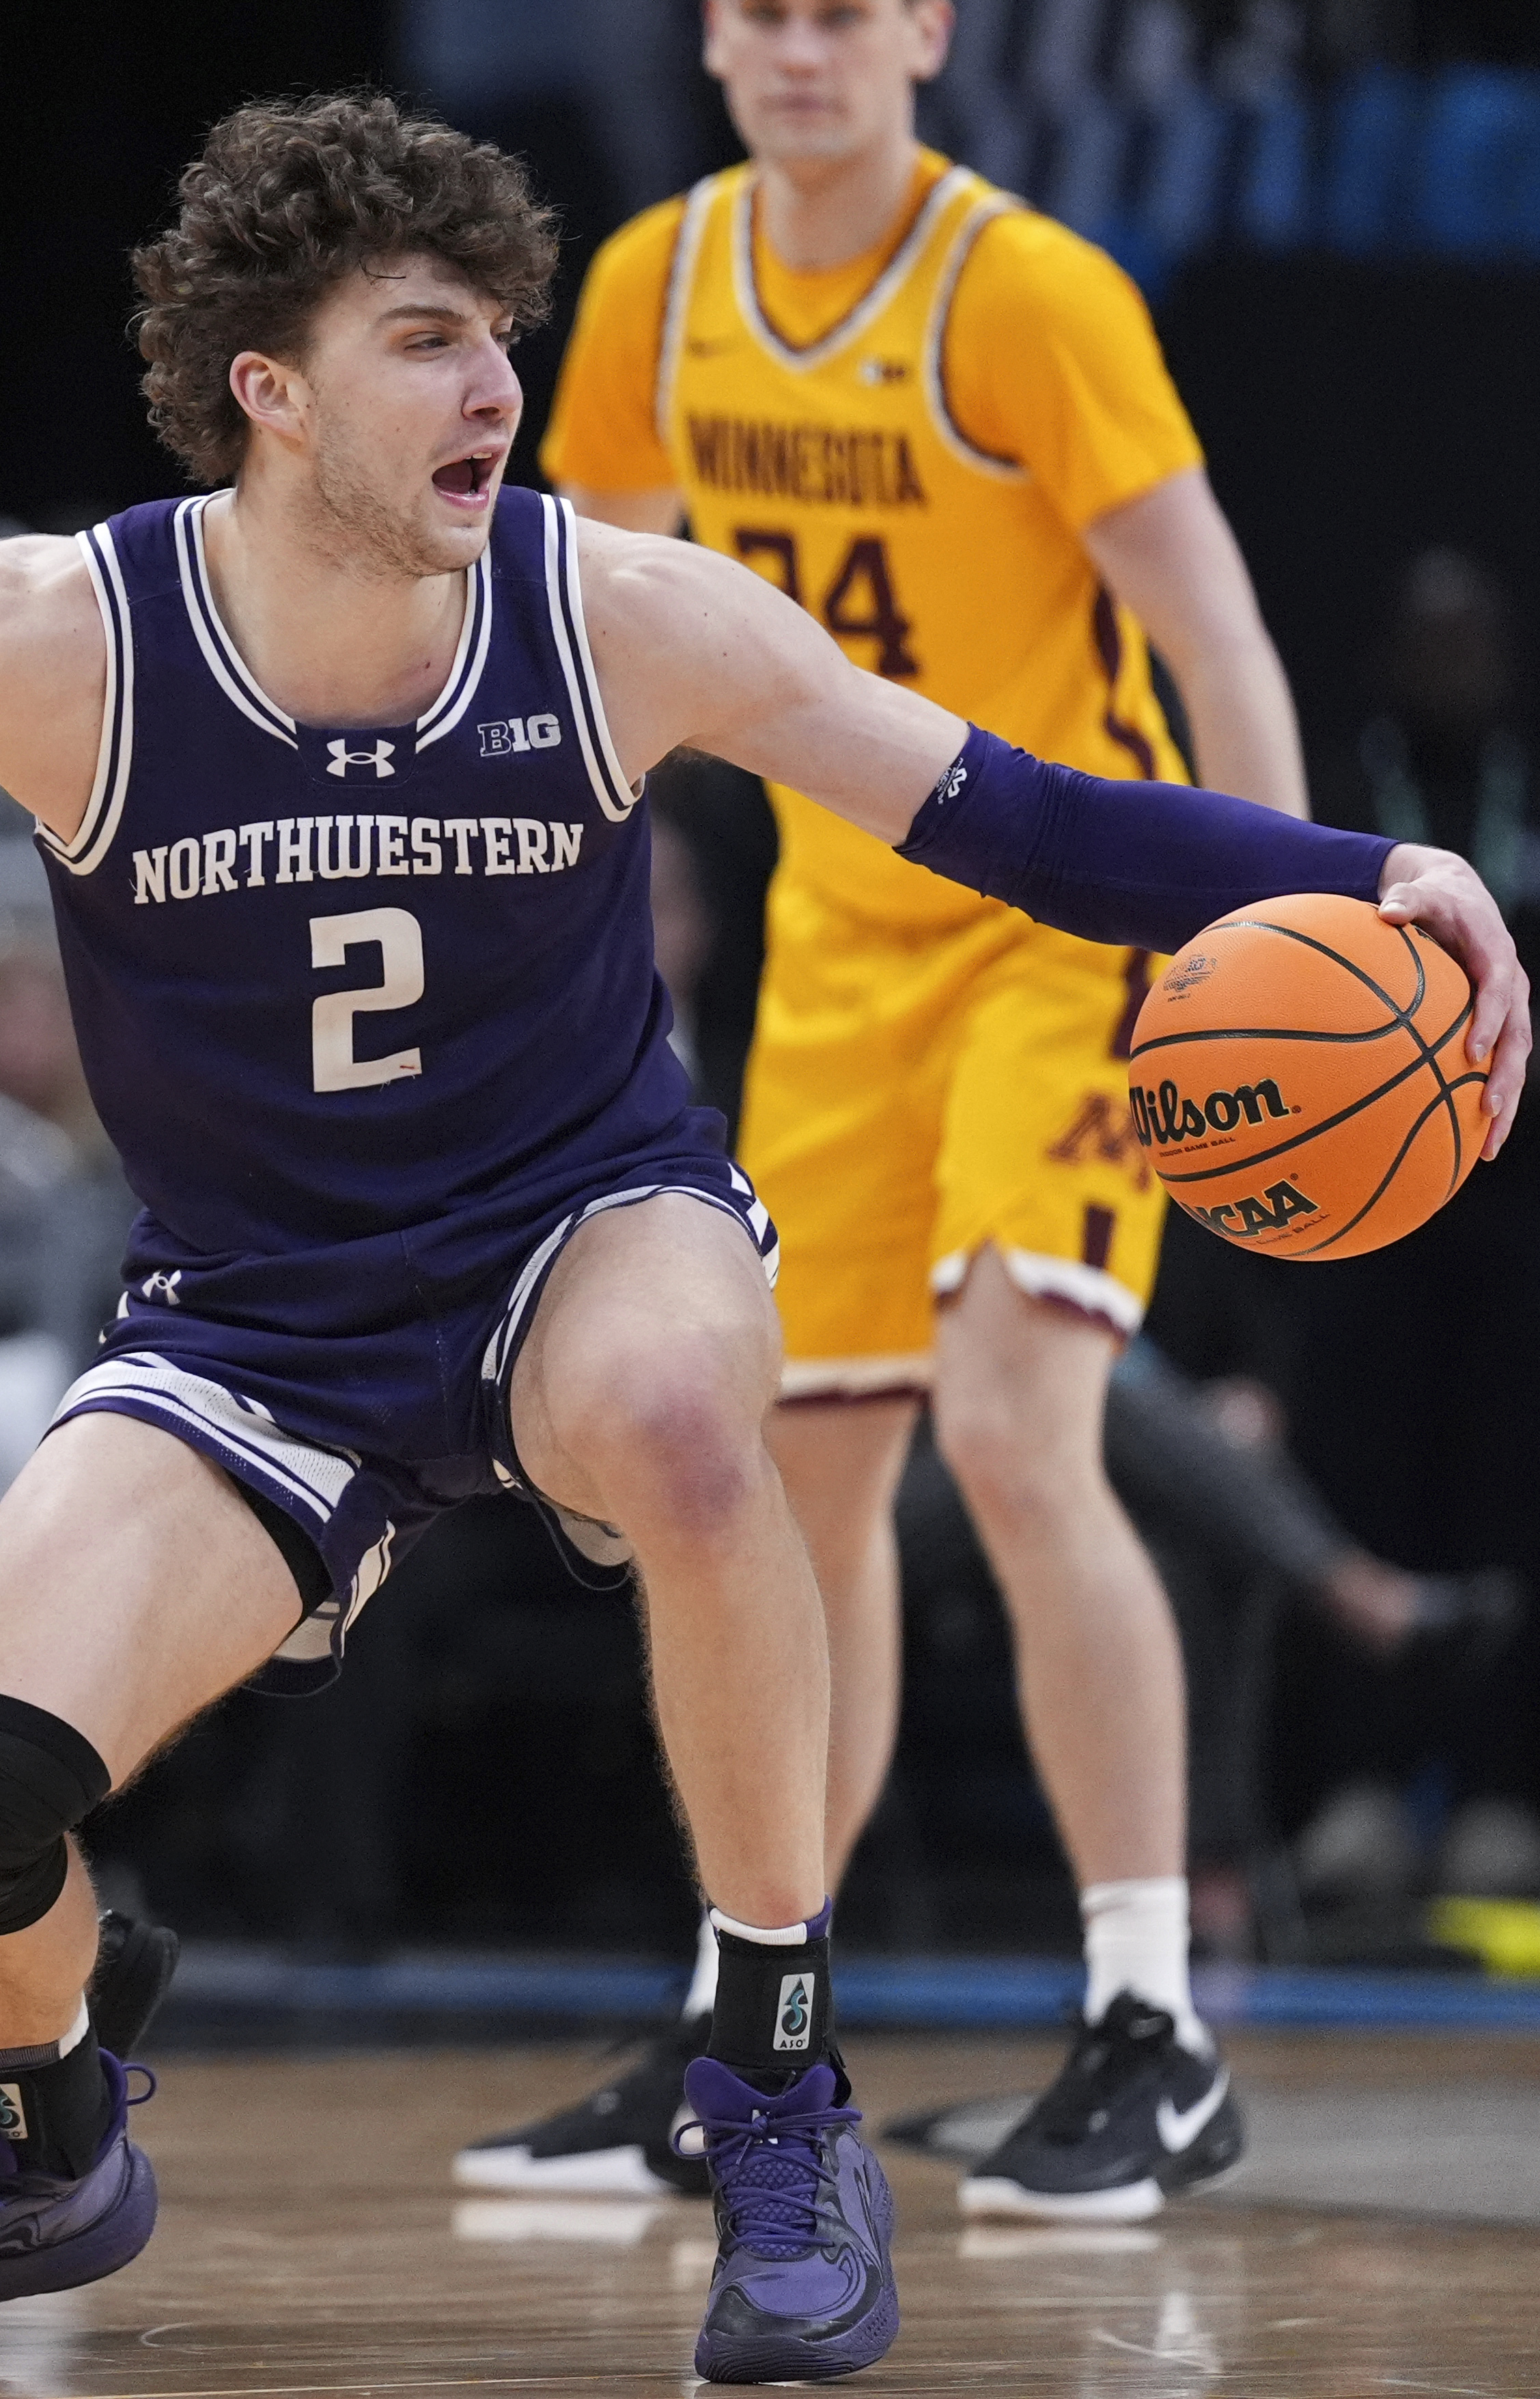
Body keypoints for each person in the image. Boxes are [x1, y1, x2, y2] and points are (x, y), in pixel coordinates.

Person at [0, 92, 1523, 2375]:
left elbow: (1005, 813)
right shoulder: (55, 636)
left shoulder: (609, 612)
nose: (496, 394)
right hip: (254, 1327)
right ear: (267, 388)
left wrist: (1357, 880)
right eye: (426, 342)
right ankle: (37, 2127)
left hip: (582, 1233)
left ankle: (767, 2078)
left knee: (676, 1416)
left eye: (502, 343)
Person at [456, 0, 1318, 2223]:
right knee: (777, 1488)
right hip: (838, 948)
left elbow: (1216, 638)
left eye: (842, 11)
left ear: (924, 31)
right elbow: (585, 653)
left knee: (1022, 1437)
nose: (799, 52)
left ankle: (1153, 2018)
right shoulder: (655, 281)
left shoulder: (1025, 290)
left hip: (1066, 932)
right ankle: (755, 2030)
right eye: (758, 13)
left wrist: (1290, 928)